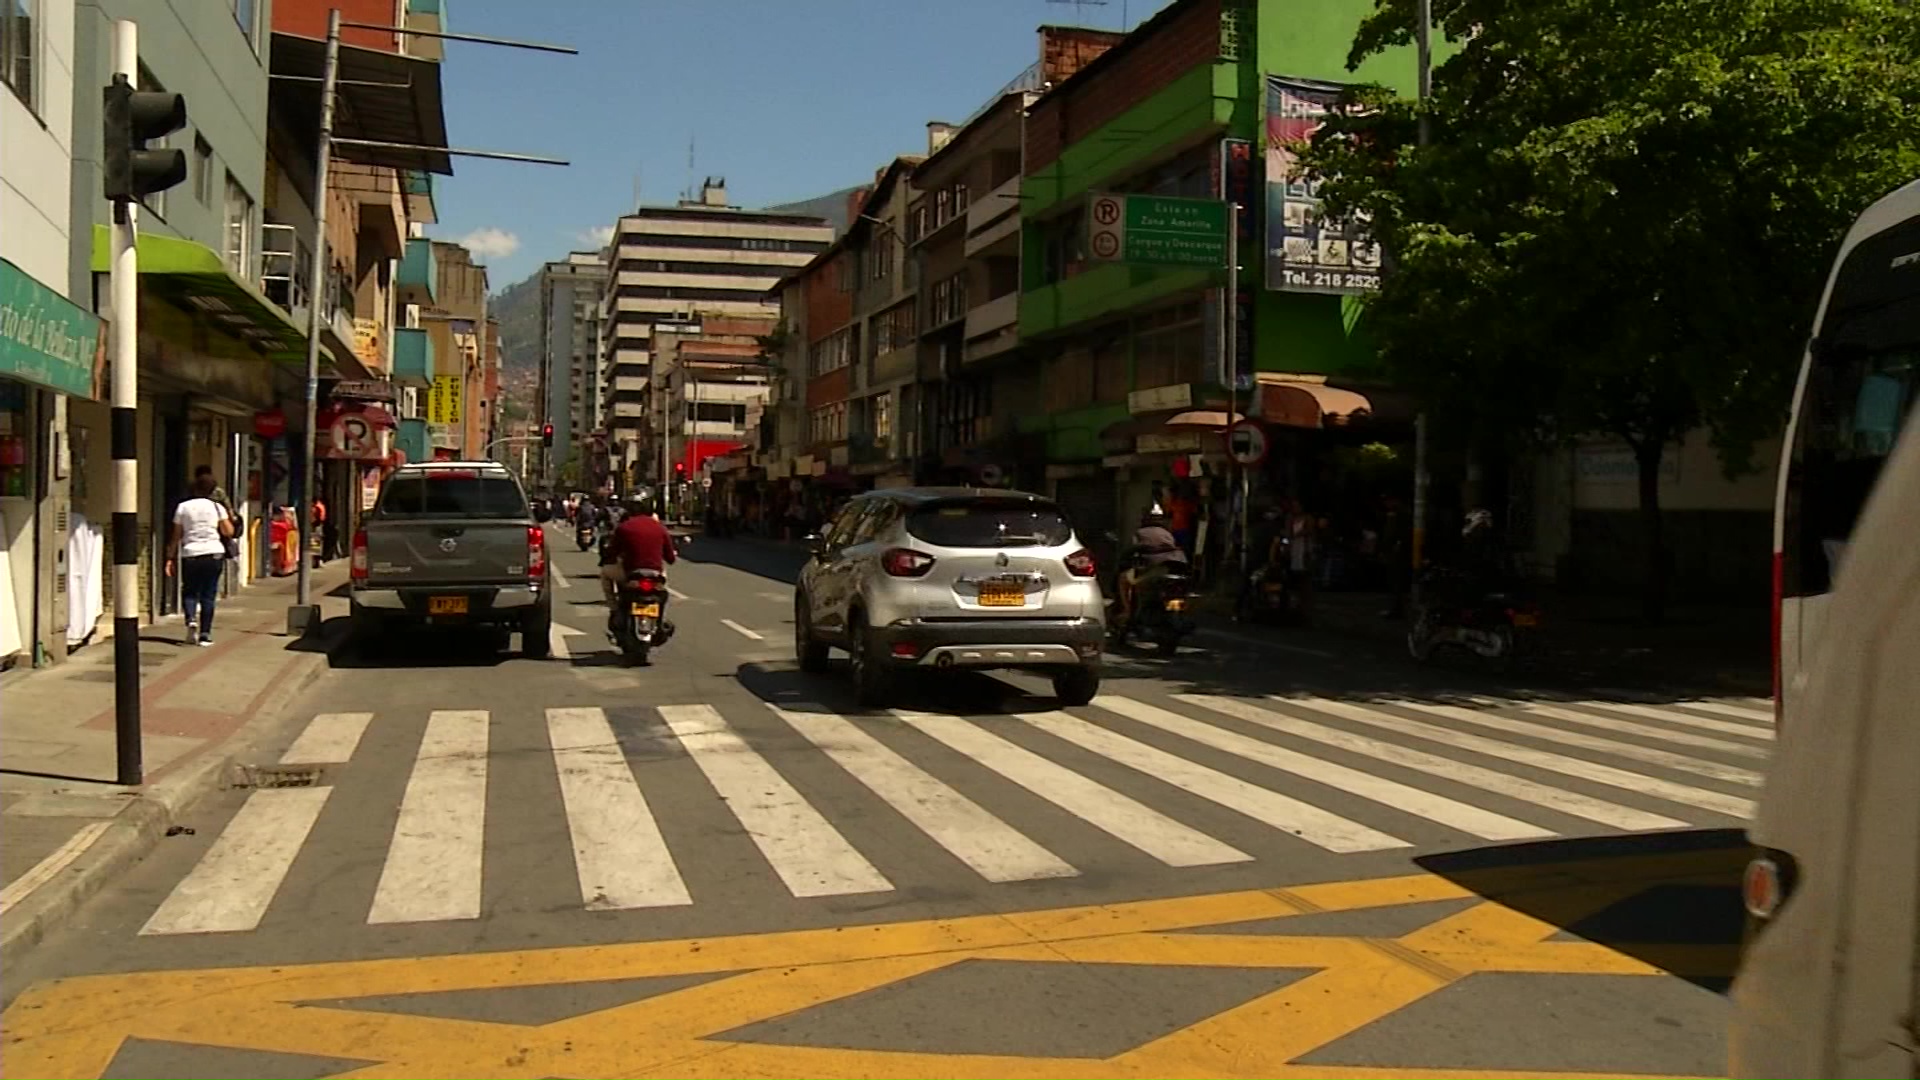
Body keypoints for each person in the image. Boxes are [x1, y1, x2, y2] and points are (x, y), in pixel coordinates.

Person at [166, 472, 234, 646]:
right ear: (212, 490)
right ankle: (205, 635)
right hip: (214, 553)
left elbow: (176, 536)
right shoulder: (217, 507)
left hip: (191, 554)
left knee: (189, 591)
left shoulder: (183, 507)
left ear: (194, 488)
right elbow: (228, 532)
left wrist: (169, 558)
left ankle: (190, 620)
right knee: (208, 595)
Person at [601, 488, 678, 635]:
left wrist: (607, 558)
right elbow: (670, 558)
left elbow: (612, 552)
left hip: (630, 573)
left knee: (605, 574)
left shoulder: (624, 528)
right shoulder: (660, 528)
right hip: (655, 574)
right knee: (664, 591)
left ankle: (614, 609)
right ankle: (660, 620)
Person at [1117, 505, 1188, 622]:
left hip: (1157, 568)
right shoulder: (1166, 533)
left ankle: (1127, 611)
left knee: (1124, 579)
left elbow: (1131, 550)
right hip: (1178, 566)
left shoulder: (1140, 533)